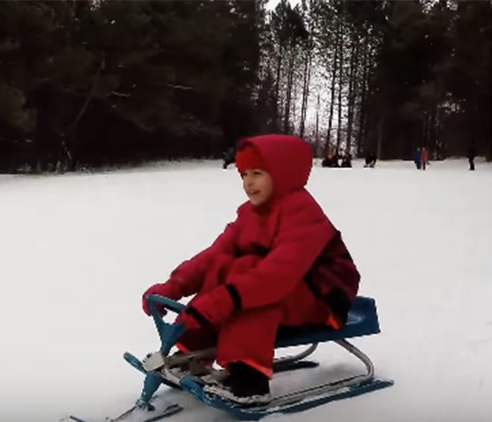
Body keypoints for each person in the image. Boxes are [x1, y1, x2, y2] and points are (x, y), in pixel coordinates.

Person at [141, 134, 360, 406]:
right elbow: (215, 255)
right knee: (228, 267)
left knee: (247, 282)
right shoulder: (249, 214)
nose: (248, 183)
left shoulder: (304, 213)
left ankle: (249, 379)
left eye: (257, 173)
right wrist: (174, 286)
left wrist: (223, 299)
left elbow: (278, 275)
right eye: (243, 174)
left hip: (323, 295)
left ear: (283, 173)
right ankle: (193, 355)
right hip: (282, 288)